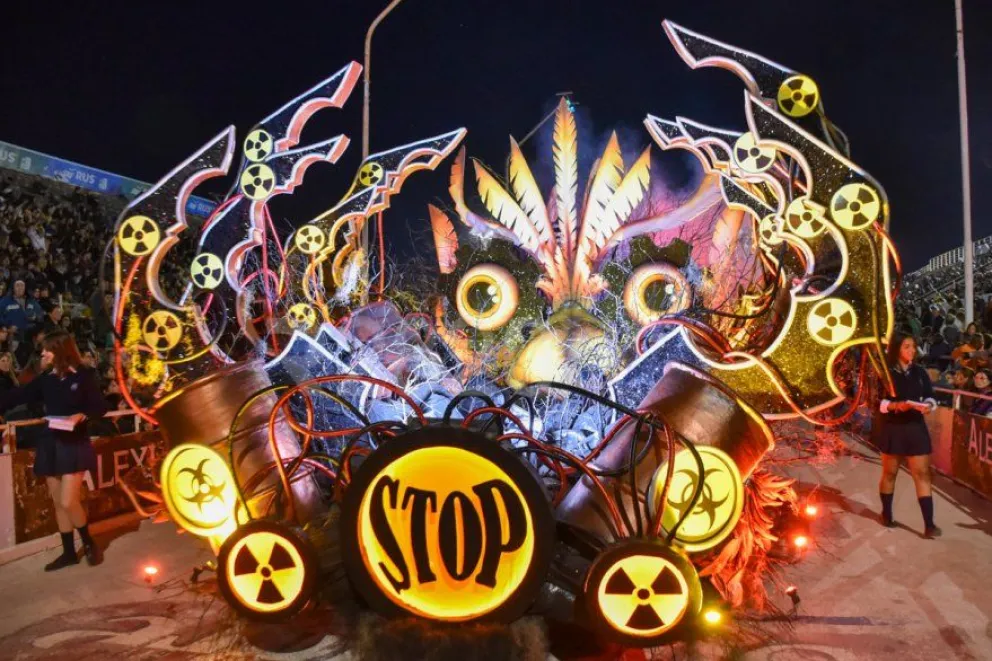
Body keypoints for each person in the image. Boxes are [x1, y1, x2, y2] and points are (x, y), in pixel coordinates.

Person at [0, 331, 107, 570]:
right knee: (58, 502)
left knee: (69, 501)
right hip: (50, 441)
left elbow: (100, 406)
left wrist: (82, 415)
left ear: (59, 350)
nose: (43, 354)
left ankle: (88, 542)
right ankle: (68, 553)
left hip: (74, 441)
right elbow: (17, 396)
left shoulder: (83, 375)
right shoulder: (45, 379)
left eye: (47, 349)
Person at [874, 333, 941, 538]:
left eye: (913, 346)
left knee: (922, 474)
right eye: (907, 346)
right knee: (890, 473)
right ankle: (886, 514)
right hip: (892, 428)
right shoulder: (884, 373)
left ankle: (929, 525)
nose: (912, 350)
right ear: (896, 349)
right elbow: (876, 402)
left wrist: (929, 405)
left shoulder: (920, 372)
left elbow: (931, 396)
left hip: (915, 427)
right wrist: (896, 406)